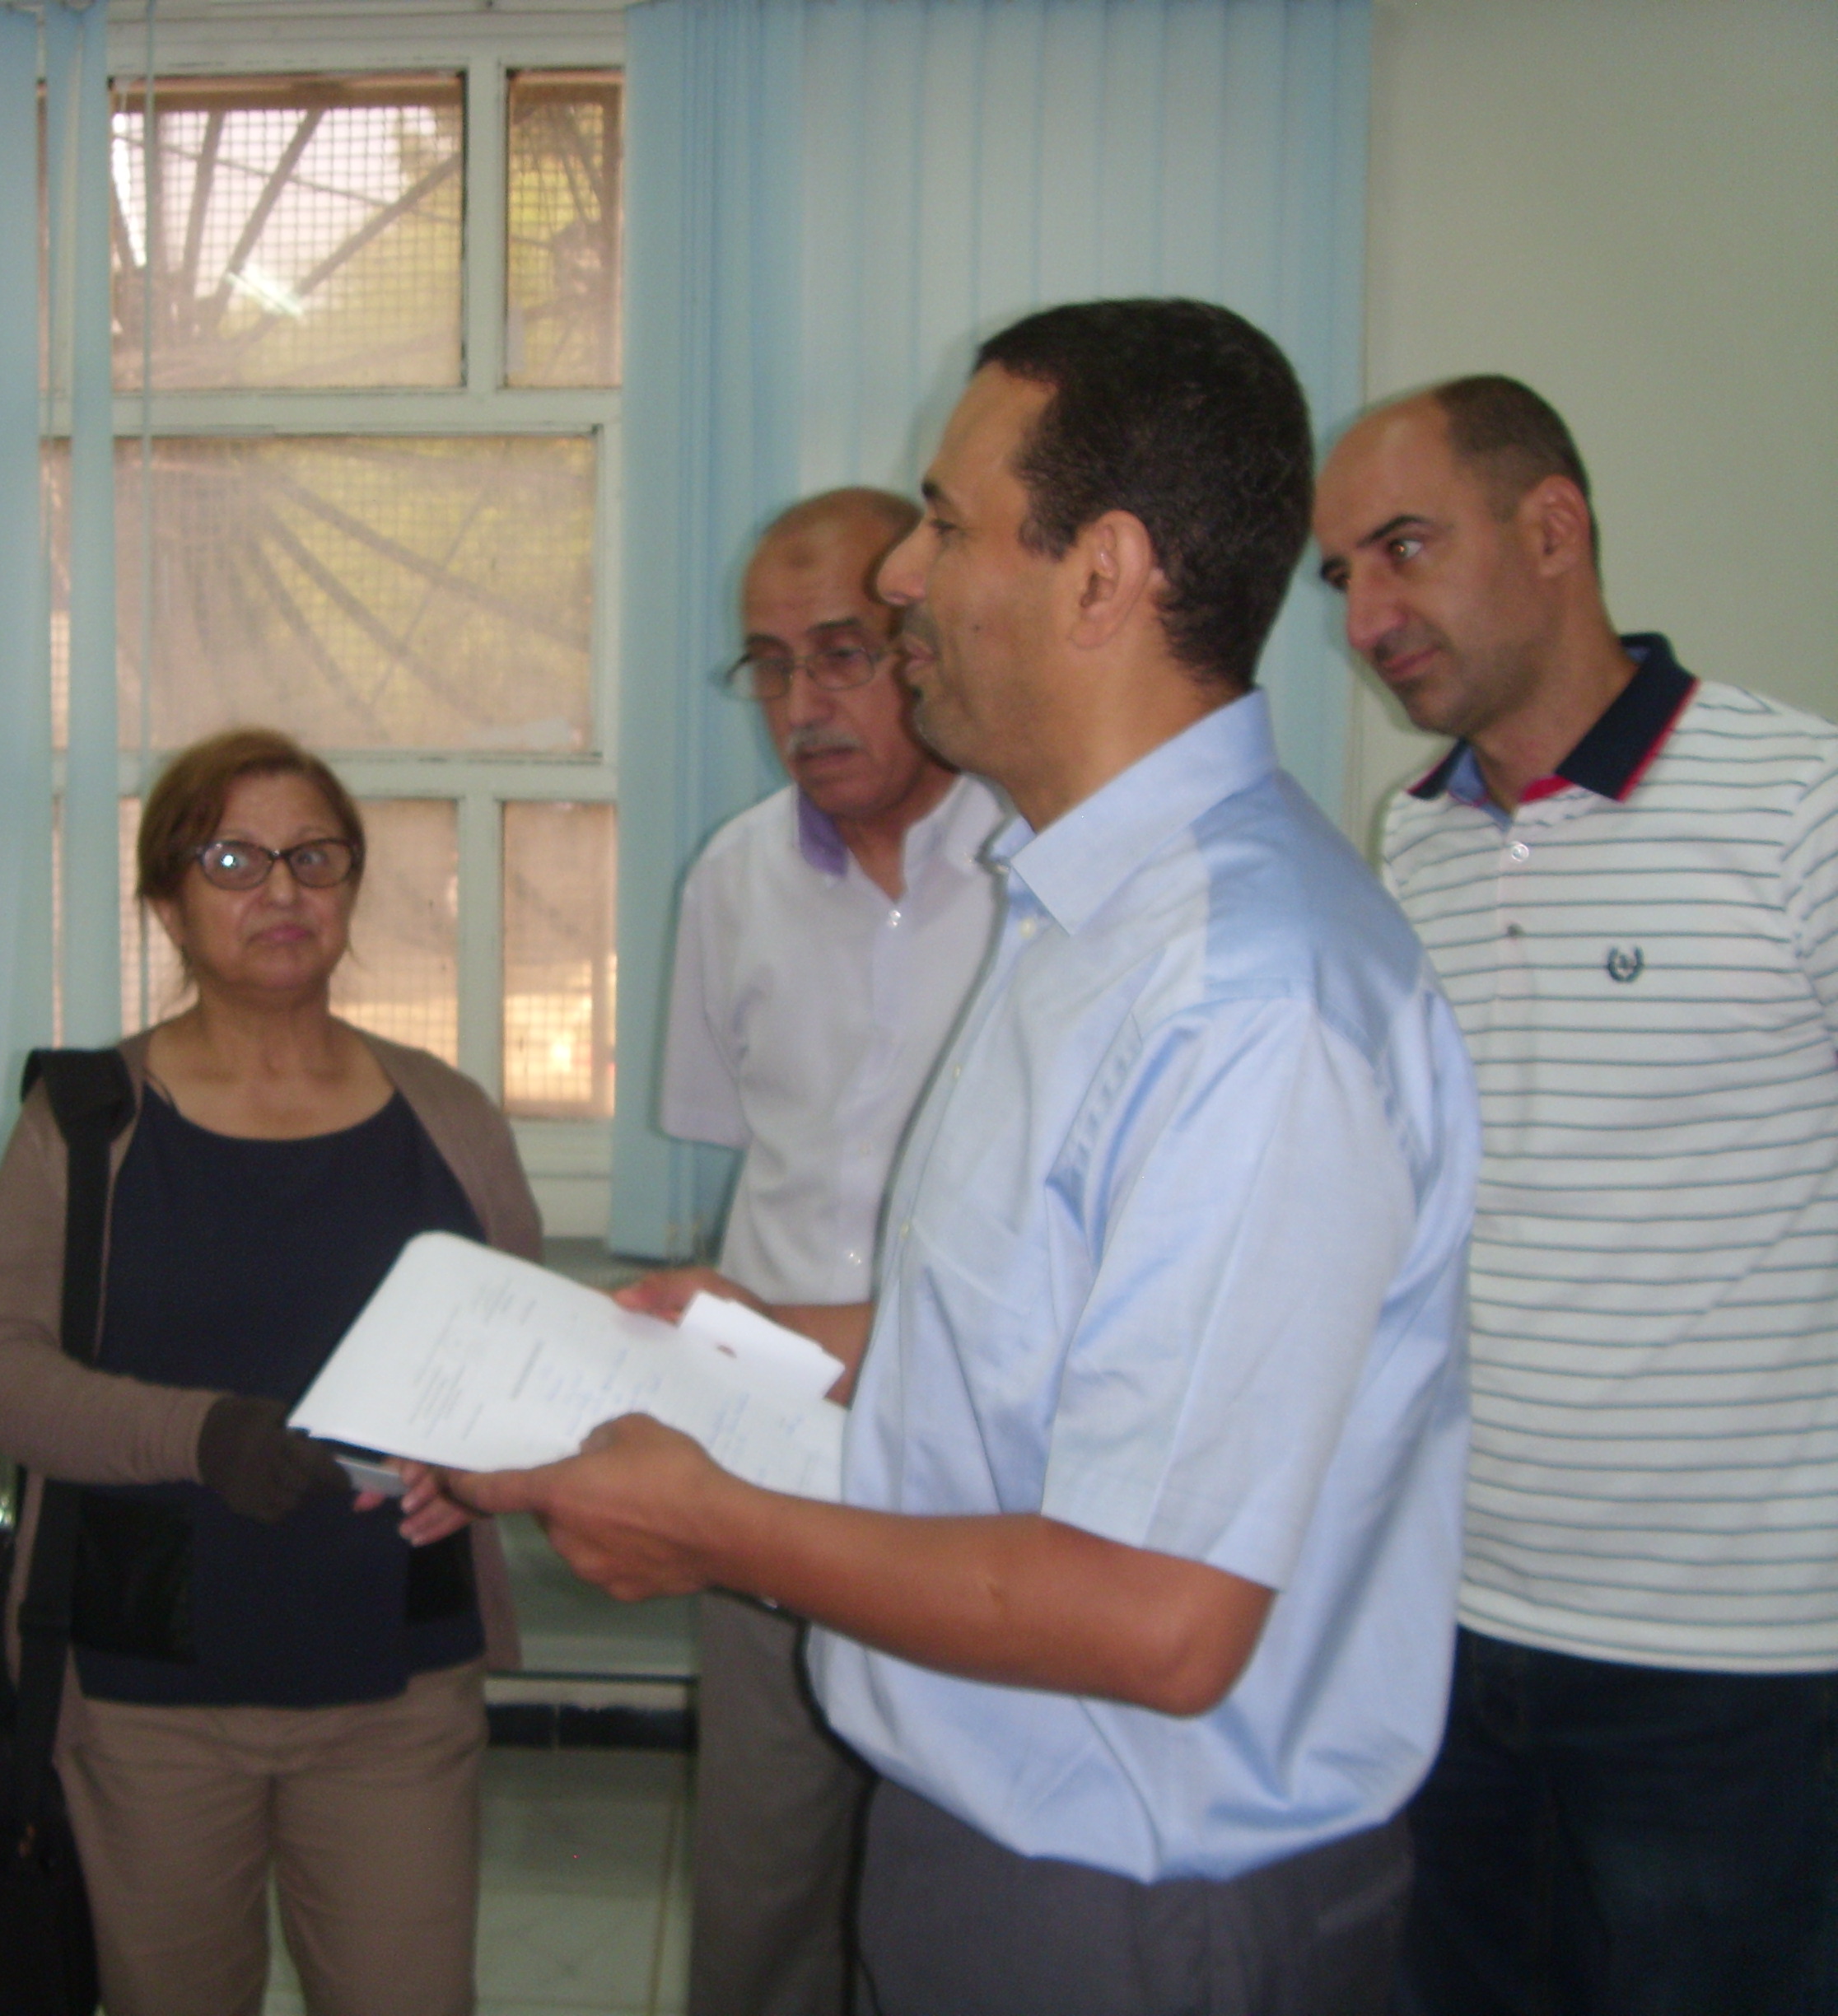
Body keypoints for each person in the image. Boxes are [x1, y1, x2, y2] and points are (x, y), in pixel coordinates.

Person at [462, 299, 1482, 2015]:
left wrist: (718, 1527)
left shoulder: (1246, 996)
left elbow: (1161, 1618)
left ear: (1104, 577)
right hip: (985, 1834)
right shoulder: (1084, 905)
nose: (904, 576)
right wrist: (765, 1335)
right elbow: (1053, 1331)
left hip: (1132, 1904)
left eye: (944, 522)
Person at [1315, 377, 1838, 2015]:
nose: (1368, 618)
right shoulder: (1412, 842)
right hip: (1455, 1625)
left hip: (1742, 1673)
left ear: (1553, 528)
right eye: (1343, 577)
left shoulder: (1800, 807)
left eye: (1405, 549)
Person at [0, 727, 538, 2016]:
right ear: (168, 901)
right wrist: (199, 1434)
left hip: (396, 1679)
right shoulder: (89, 1122)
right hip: (150, 1694)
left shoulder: (448, 1119)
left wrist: (482, 1464)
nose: (282, 890)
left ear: (351, 886)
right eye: (233, 859)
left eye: (314, 857)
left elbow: (525, 1367)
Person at [662, 485, 1001, 2016]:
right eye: (770, 664)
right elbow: (741, 1151)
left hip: (982, 1467)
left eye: (843, 652)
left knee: (956, 1883)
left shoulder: (1042, 865)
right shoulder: (732, 880)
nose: (803, 704)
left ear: (926, 641)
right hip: (772, 1452)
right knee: (764, 1882)